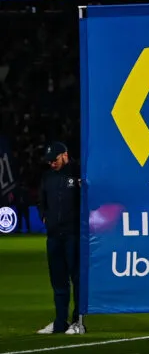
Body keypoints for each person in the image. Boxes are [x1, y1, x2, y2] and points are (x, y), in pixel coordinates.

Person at [36, 142, 83, 335]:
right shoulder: (47, 177)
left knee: (77, 279)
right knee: (58, 281)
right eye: (49, 161)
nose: (51, 164)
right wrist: (44, 216)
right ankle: (59, 322)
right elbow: (41, 201)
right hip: (54, 236)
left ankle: (77, 322)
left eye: (54, 160)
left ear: (65, 155)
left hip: (73, 234)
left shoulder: (79, 172)